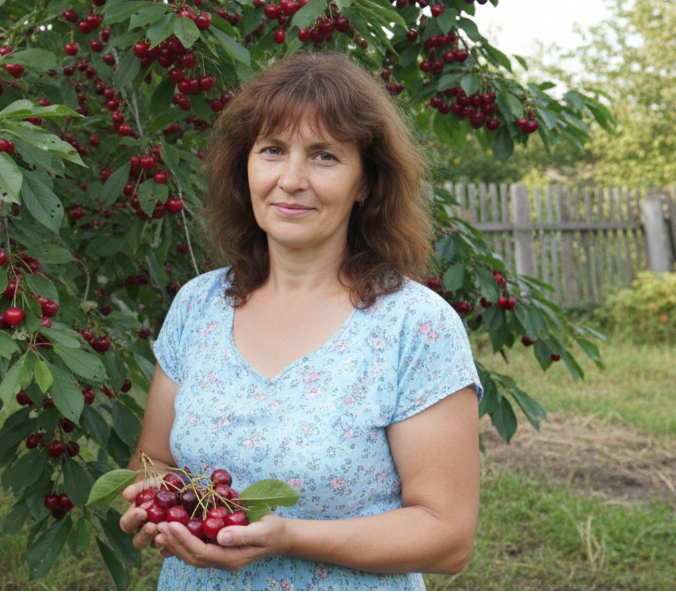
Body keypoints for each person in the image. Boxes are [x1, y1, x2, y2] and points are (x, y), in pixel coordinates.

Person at [120, 53, 482, 591]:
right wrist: (155, 509)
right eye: (272, 150)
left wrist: (289, 536)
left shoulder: (415, 326)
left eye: (324, 156)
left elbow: (447, 537)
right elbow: (153, 460)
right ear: (245, 166)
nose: (291, 180)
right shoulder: (198, 306)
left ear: (366, 182)